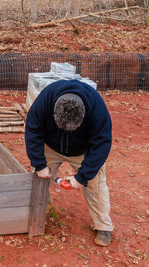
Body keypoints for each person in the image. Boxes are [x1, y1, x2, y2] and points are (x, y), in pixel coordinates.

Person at [25, 79, 113, 247]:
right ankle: (40, 212)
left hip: (82, 150)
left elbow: (101, 145)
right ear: (54, 112)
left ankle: (103, 225)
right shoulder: (45, 100)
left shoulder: (97, 109)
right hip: (50, 145)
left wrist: (82, 177)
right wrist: (39, 164)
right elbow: (32, 129)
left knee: (96, 184)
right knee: (39, 180)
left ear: (84, 113)